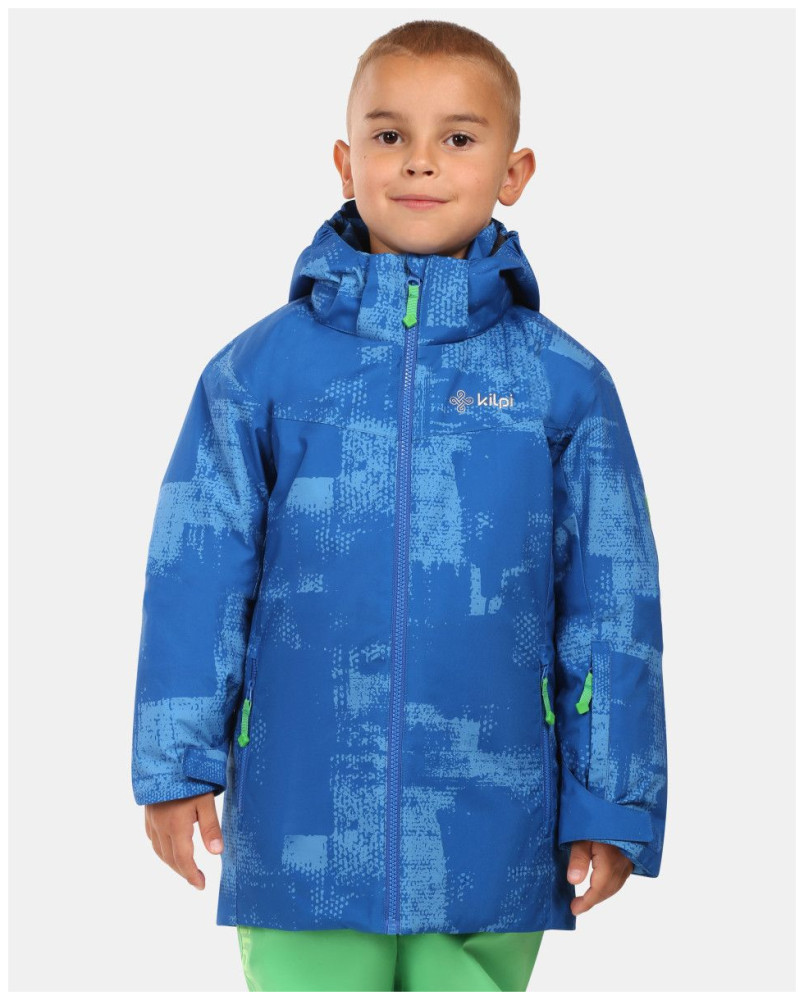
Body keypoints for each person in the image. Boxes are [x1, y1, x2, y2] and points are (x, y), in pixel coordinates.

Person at [131, 18, 668, 993]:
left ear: (514, 171)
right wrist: (177, 766)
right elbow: (194, 580)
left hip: (493, 827)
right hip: (303, 821)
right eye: (389, 135)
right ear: (345, 162)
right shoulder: (257, 374)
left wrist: (613, 800)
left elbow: (612, 607)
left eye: (458, 137)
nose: (421, 161)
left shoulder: (562, 384)